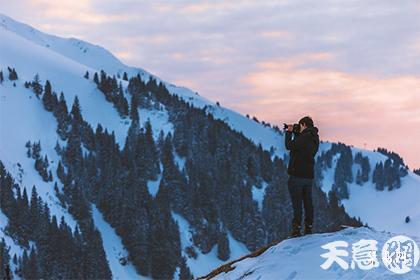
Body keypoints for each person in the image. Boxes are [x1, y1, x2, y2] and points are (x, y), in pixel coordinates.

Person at [285, 116, 319, 237]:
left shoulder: (305, 137)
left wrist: (289, 132)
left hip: (297, 175)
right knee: (308, 202)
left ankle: (296, 229)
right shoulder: (314, 138)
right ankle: (308, 227)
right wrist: (297, 132)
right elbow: (301, 147)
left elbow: (290, 145)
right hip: (308, 176)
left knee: (297, 203)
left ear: (304, 124)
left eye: (300, 125)